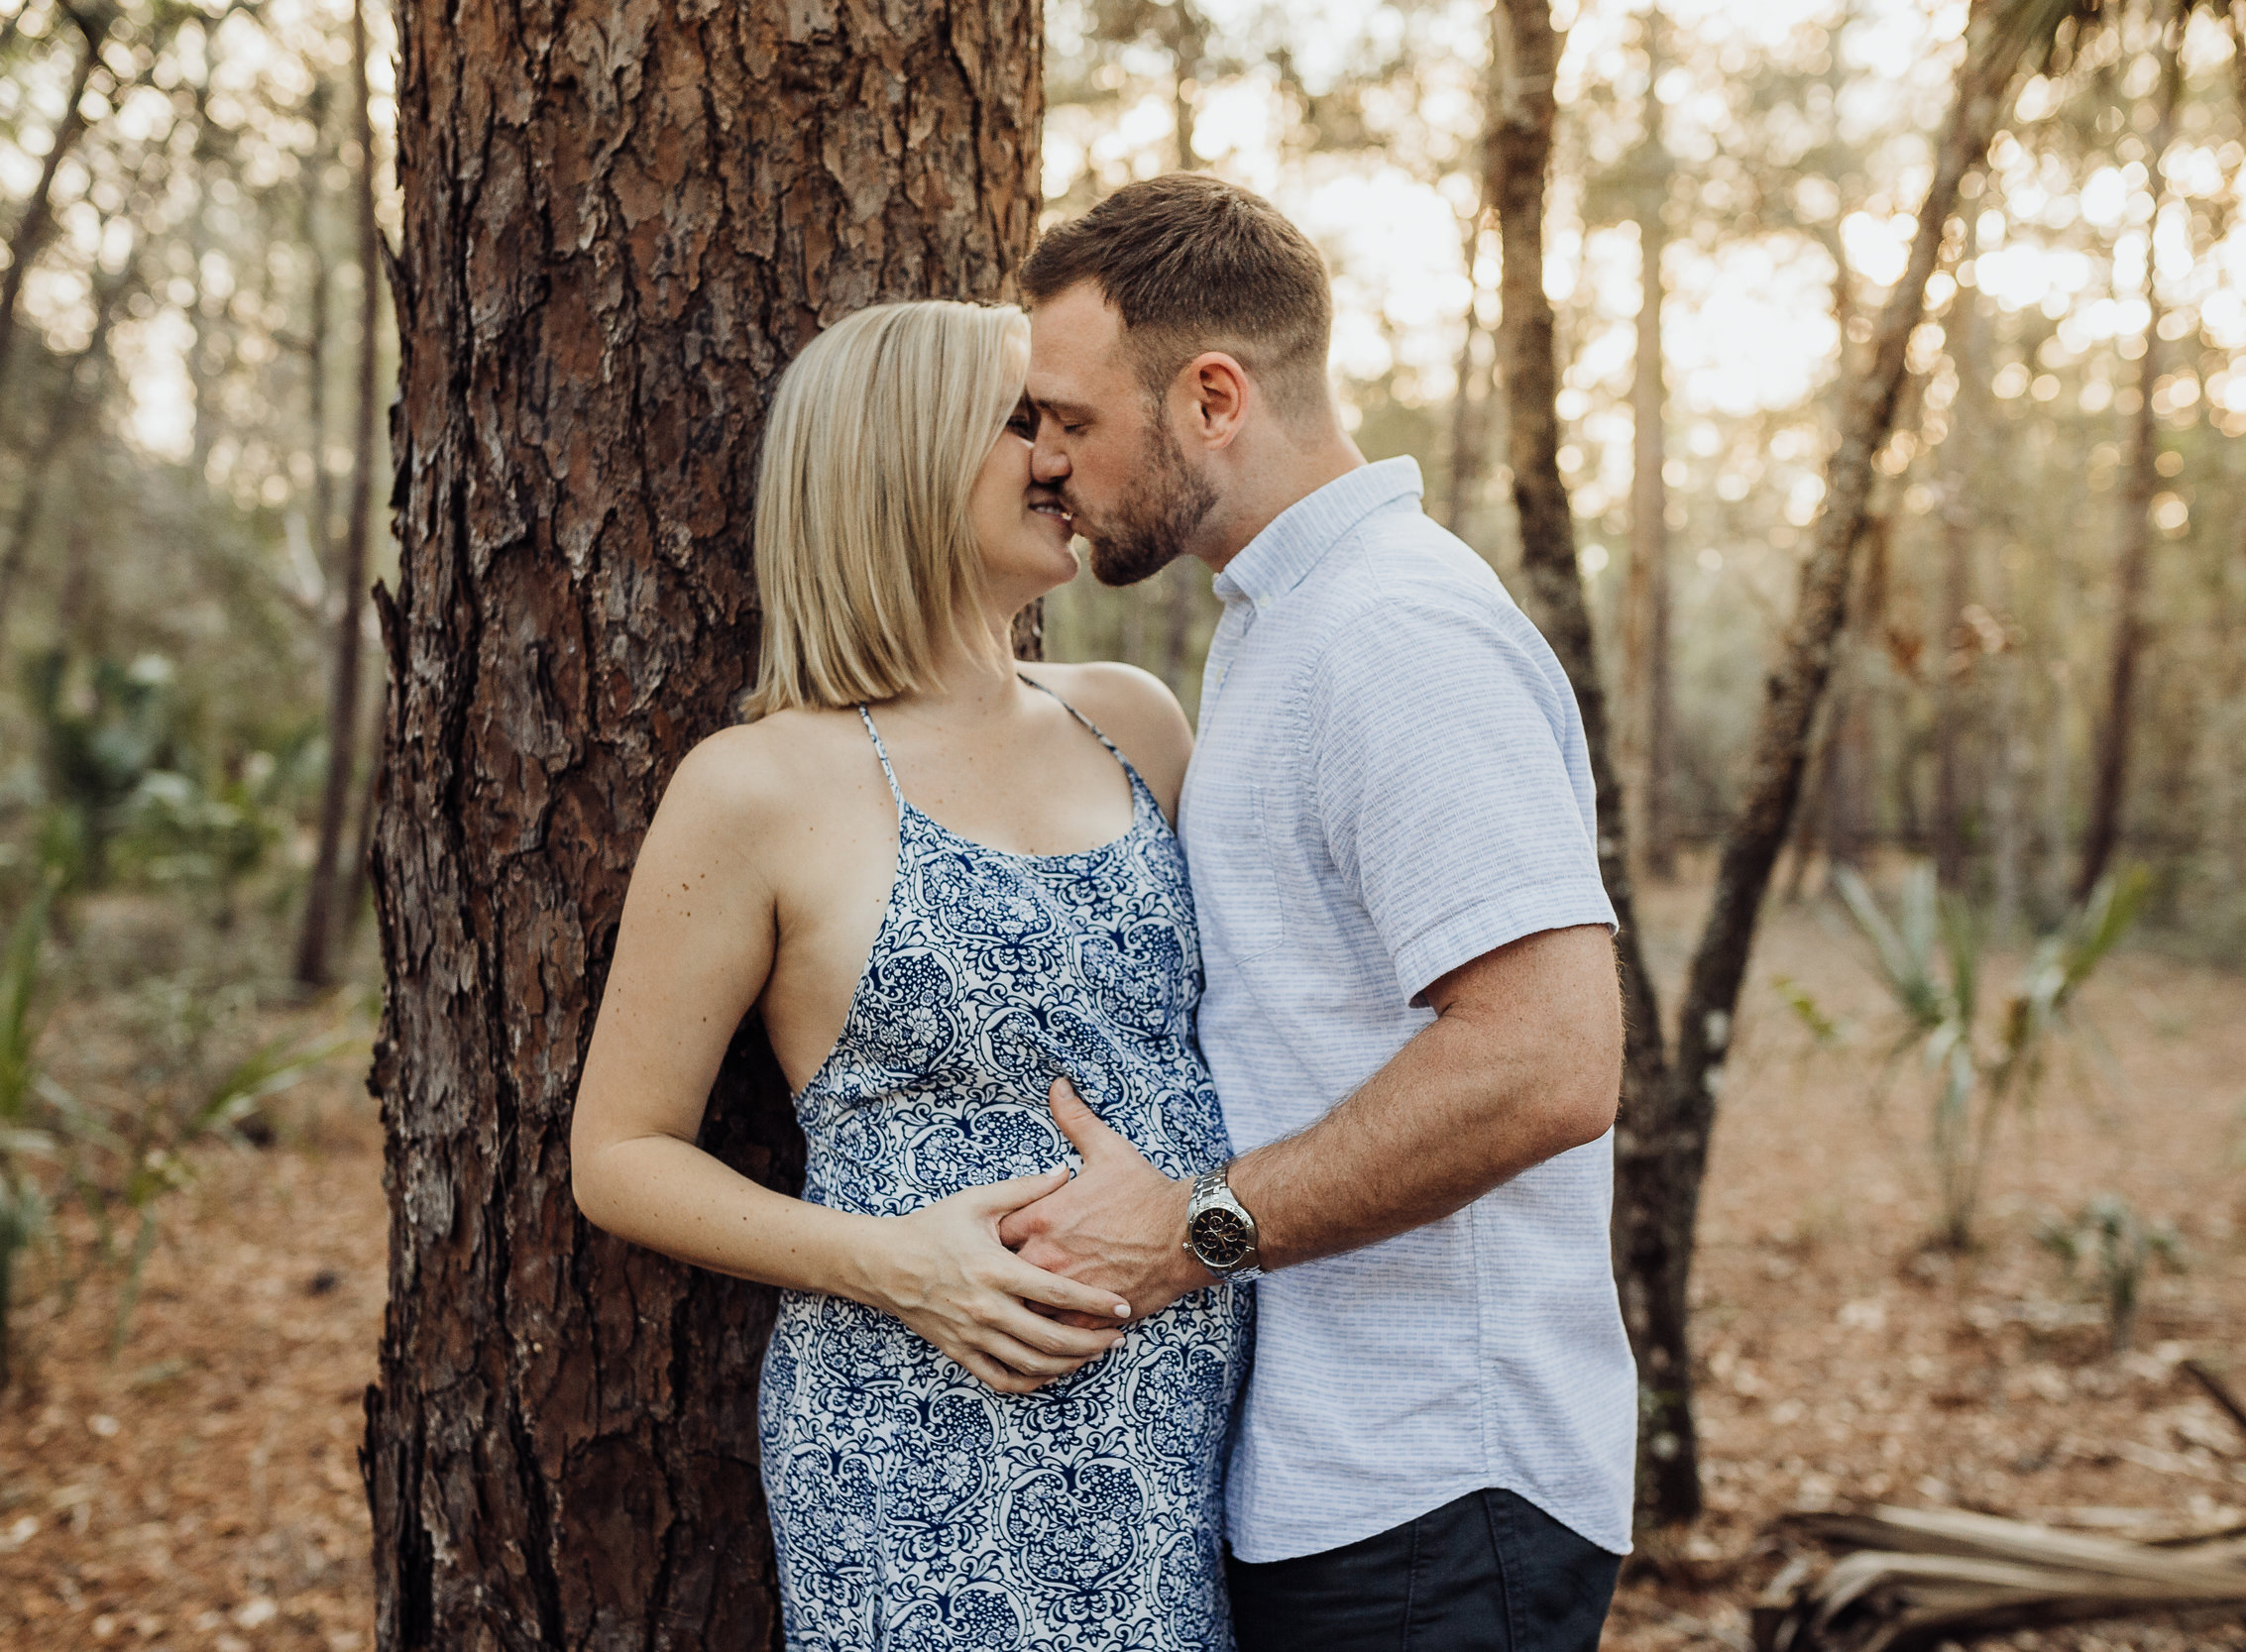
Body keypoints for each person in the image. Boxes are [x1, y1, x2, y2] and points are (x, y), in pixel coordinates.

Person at [997, 173, 1638, 1652]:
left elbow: (1547, 1060)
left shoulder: (1394, 633)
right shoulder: (1292, 624)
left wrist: (1198, 1231)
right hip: (1341, 1481)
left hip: (1434, 1491)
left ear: (1213, 396)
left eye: (1075, 422)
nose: (1050, 466)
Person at [567, 299, 1250, 1651]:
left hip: (1184, 1442)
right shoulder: (759, 785)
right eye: (1024, 423)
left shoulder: (1133, 722)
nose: (1063, 457)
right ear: (904, 459)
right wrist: (896, 1267)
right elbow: (620, 1151)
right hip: (915, 1449)